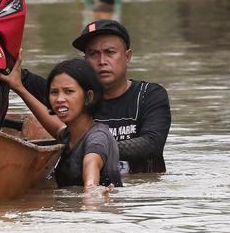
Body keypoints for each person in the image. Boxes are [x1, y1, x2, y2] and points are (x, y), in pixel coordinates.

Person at [21, 20, 171, 173]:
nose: (102, 61)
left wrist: (92, 146)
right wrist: (17, 78)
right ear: (85, 61)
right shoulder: (76, 98)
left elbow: (152, 144)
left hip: (141, 192)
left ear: (127, 56)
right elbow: (39, 87)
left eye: (110, 52)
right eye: (93, 54)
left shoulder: (149, 95)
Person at [2, 59, 121, 198]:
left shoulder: (97, 138)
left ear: (88, 97)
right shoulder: (69, 135)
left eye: (68, 91)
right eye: (54, 92)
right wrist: (19, 88)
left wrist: (92, 192)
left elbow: (91, 168)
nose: (59, 99)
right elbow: (53, 124)